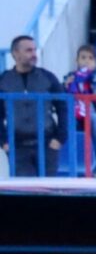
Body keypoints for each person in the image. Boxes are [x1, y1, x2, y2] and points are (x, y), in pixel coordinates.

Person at [2, 30, 65, 177]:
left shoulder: (48, 77)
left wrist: (60, 138)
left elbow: (63, 107)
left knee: (48, 193)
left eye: (34, 50)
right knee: (25, 194)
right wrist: (3, 141)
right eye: (28, 50)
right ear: (15, 54)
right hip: (17, 147)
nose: (34, 54)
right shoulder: (4, 80)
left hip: (47, 145)